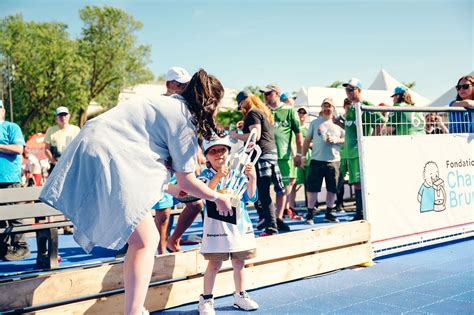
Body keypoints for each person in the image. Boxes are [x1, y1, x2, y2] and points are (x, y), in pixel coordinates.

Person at [39, 69, 233, 315]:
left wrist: (172, 187)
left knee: (140, 240)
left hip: (94, 142)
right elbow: (188, 182)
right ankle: (133, 311)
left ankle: (135, 307)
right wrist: (218, 197)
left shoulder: (166, 102)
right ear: (209, 102)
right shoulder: (184, 120)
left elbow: (150, 163)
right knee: (147, 240)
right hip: (107, 152)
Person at [198, 136, 259, 315]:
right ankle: (206, 299)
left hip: (239, 225)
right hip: (216, 228)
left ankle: (240, 295)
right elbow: (206, 193)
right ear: (207, 157)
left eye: (222, 150)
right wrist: (217, 176)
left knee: (239, 262)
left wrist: (252, 178)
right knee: (214, 264)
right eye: (213, 151)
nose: (219, 155)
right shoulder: (204, 175)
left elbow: (251, 197)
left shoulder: (238, 172)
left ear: (229, 153)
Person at [230, 92, 284, 236]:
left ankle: (271, 227)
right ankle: (265, 220)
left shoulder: (252, 113)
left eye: (241, 104)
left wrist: (236, 135)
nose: (241, 108)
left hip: (261, 156)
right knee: (260, 190)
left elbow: (256, 136)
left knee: (262, 192)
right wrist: (245, 126)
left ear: (245, 101)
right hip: (269, 154)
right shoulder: (262, 112)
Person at [260, 84, 303, 231]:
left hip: (283, 156)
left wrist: (299, 154)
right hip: (265, 155)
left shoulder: (289, 110)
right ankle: (267, 218)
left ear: (277, 94)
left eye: (269, 93)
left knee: (282, 189)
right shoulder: (262, 110)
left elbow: (298, 133)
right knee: (264, 190)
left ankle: (278, 219)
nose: (266, 96)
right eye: (264, 94)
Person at [343, 78, 386, 221]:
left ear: (359, 90)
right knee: (356, 182)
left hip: (360, 152)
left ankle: (365, 211)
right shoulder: (351, 108)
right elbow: (349, 127)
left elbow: (381, 121)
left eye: (350, 89)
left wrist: (369, 141)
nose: (347, 92)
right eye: (346, 89)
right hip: (350, 153)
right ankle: (359, 212)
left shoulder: (366, 106)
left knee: (363, 182)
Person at [302, 98, 345, 224]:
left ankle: (329, 213)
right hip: (316, 159)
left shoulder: (339, 123)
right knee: (312, 189)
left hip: (333, 161)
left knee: (332, 188)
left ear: (333, 108)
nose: (327, 108)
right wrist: (303, 156)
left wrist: (336, 141)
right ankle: (310, 214)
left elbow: (346, 139)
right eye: (325, 106)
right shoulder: (315, 123)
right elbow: (307, 140)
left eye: (329, 106)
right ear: (321, 107)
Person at [0, 100, 31, 261]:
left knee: (15, 216)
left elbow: (19, 149)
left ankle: (22, 247)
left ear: (3, 111)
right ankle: (4, 248)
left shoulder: (12, 127)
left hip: (9, 178)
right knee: (1, 217)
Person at [44, 106, 81, 174]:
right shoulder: (51, 130)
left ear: (69, 116)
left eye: (65, 115)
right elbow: (47, 149)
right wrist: (53, 161)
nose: (63, 117)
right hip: (56, 165)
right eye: (60, 115)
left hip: (73, 164)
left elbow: (80, 147)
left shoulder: (76, 130)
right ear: (56, 118)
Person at [289, 105, 311, 213]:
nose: (301, 114)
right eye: (300, 112)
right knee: (293, 183)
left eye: (304, 112)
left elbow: (313, 142)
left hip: (307, 157)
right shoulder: (294, 127)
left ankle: (310, 206)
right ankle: (291, 206)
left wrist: (306, 144)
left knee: (309, 183)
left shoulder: (309, 128)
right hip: (296, 157)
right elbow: (292, 143)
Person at [334, 98, 352, 212]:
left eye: (351, 105)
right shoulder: (339, 119)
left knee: (357, 180)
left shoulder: (356, 117)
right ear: (344, 106)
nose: (349, 108)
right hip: (341, 155)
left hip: (353, 153)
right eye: (347, 105)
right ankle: (339, 204)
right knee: (339, 181)